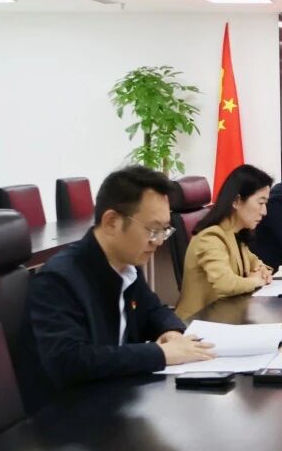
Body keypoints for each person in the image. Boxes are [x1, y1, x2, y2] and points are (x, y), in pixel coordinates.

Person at [19, 166, 215, 411]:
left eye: (164, 230)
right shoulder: (58, 280)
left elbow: (153, 309)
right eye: (152, 229)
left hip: (115, 398)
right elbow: (70, 361)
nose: (158, 241)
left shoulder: (126, 265)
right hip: (68, 415)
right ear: (111, 222)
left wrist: (171, 331)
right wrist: (160, 354)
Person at [175, 164, 276, 319]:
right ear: (237, 201)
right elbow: (225, 283)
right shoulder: (210, 238)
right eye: (260, 203)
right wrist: (256, 281)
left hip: (225, 317)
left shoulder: (235, 233)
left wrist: (261, 269)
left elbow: (254, 261)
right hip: (198, 323)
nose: (264, 212)